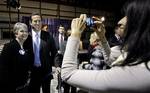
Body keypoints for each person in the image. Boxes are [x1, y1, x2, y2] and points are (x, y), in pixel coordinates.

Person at [61, 0, 150, 92]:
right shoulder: (141, 56)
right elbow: (110, 60)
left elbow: (68, 74)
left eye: (129, 15)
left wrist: (75, 34)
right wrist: (102, 37)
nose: (120, 21)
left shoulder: (136, 72)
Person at [26, 13, 57, 93]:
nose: (37, 23)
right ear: (30, 22)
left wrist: (56, 65)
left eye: (39, 21)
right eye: (35, 21)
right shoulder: (26, 37)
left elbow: (54, 52)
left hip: (46, 72)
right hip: (32, 73)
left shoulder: (48, 36)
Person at [0, 22, 32, 93]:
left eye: (26, 31)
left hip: (24, 87)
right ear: (16, 33)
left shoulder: (25, 48)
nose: (25, 33)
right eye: (22, 31)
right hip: (12, 88)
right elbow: (3, 70)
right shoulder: (9, 47)